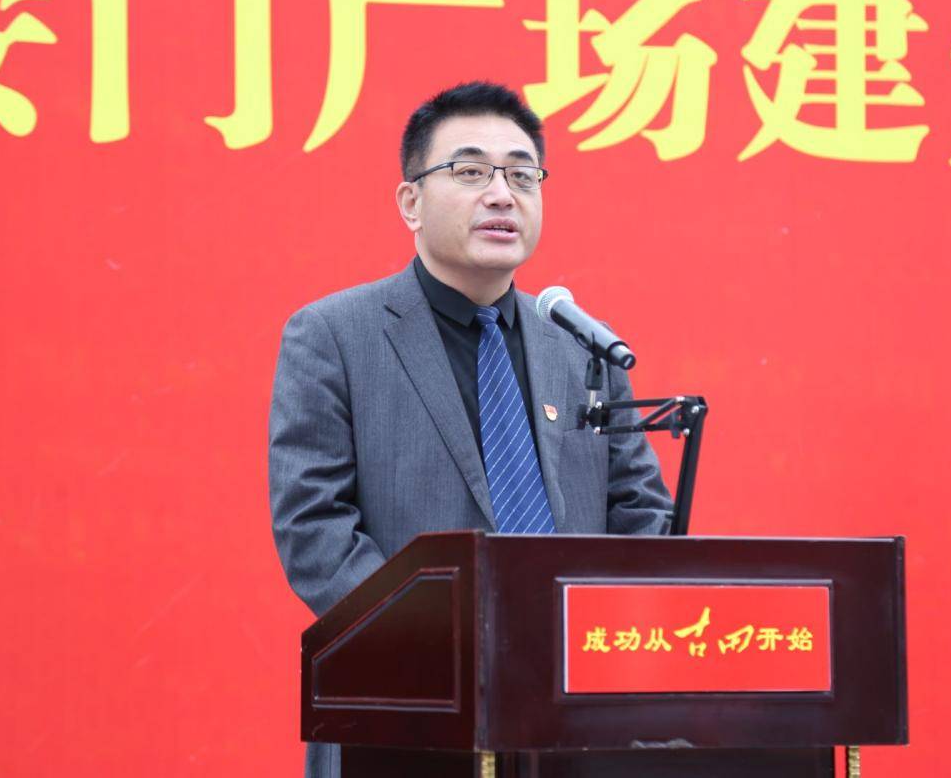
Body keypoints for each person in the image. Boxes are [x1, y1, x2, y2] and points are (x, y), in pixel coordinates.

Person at [268, 81, 673, 778]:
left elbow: (640, 514)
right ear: (411, 202)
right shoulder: (334, 335)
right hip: (406, 712)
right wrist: (452, 648)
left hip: (573, 717)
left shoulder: (583, 348)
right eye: (470, 171)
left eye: (522, 175)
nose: (501, 195)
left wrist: (613, 640)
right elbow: (315, 530)